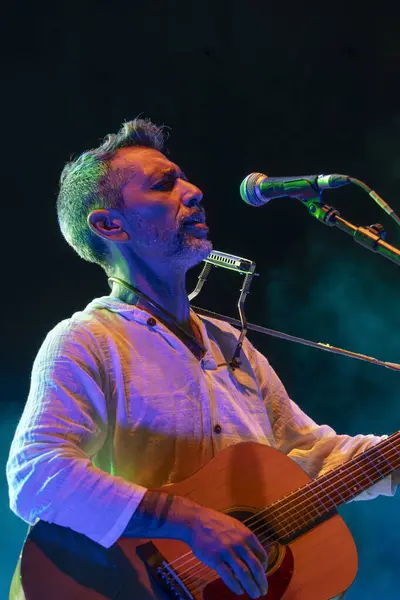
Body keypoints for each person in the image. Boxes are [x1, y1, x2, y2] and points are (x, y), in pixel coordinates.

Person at [6, 118, 398, 599]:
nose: (193, 192)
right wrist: (189, 522)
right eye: (164, 185)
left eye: (185, 178)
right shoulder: (87, 340)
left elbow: (313, 456)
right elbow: (36, 474)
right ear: (110, 224)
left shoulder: (232, 344)